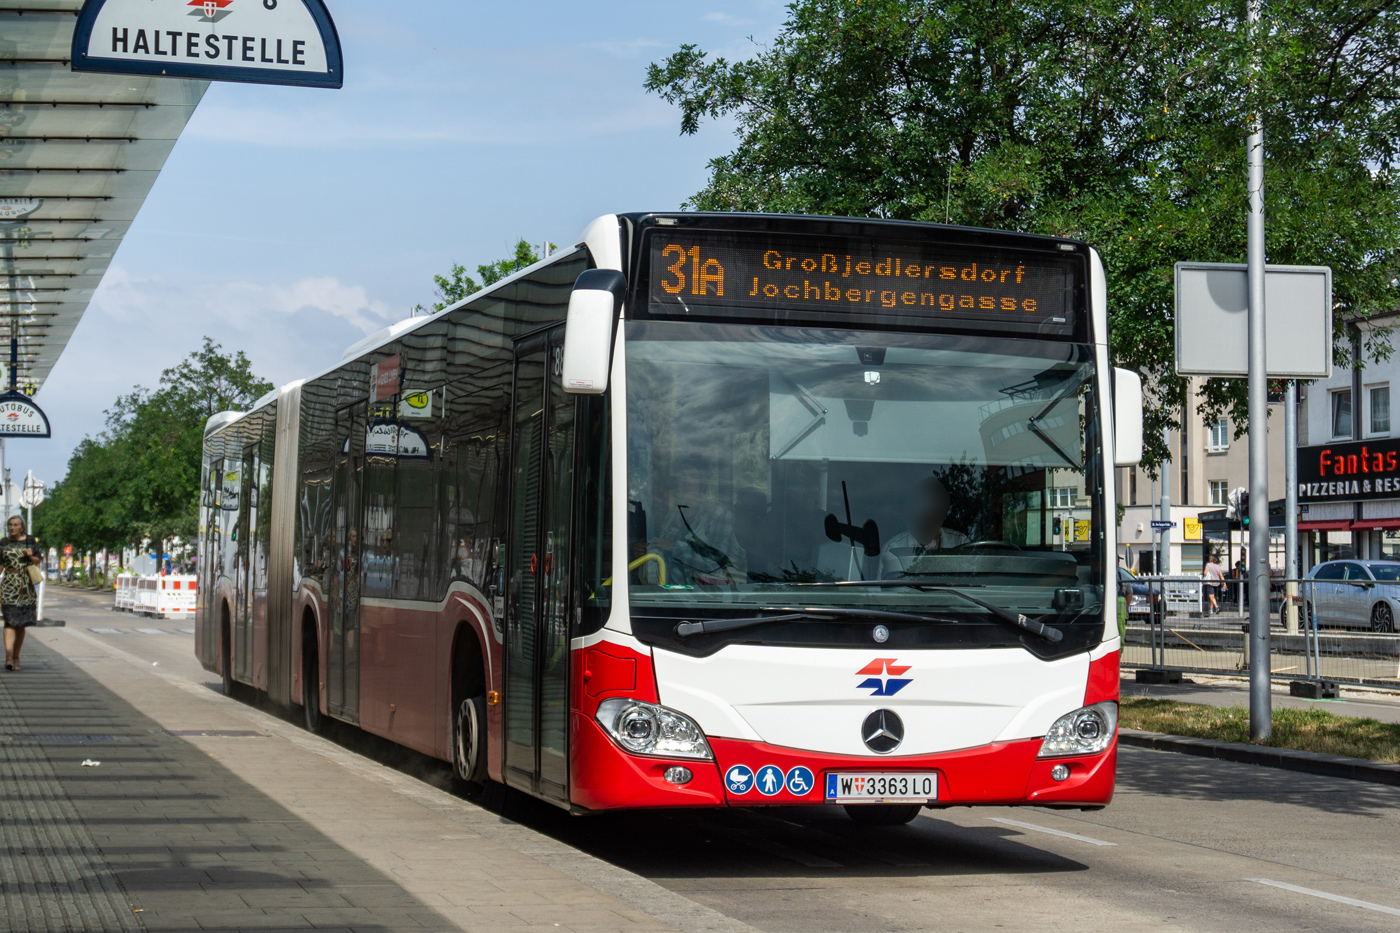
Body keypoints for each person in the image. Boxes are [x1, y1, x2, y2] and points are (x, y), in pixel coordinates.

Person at [879, 475, 969, 577]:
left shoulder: (960, 543)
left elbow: (972, 584)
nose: (928, 518)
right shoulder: (892, 548)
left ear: (944, 515)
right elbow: (882, 590)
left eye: (935, 512)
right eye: (923, 510)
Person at [2, 516, 42, 671]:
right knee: (10, 621)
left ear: (22, 527)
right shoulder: (3, 543)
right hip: (9, 585)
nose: (12, 528)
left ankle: (17, 657)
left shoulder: (30, 541)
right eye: (10, 525)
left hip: (25, 585)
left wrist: (30, 556)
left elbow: (38, 560)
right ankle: (9, 657)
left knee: (21, 624)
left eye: (15, 525)